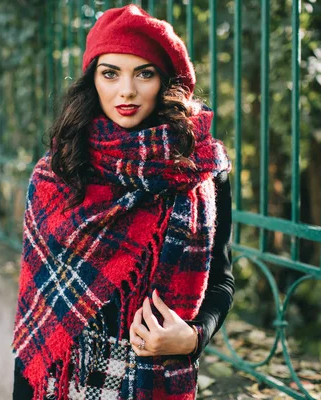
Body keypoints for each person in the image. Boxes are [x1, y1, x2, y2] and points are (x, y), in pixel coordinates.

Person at [12, 5, 234, 400]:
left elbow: (222, 279)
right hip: (66, 379)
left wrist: (192, 338)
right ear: (93, 80)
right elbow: (39, 311)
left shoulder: (202, 169)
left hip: (156, 377)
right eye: (110, 73)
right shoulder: (57, 174)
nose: (126, 91)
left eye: (144, 73)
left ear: (167, 82)